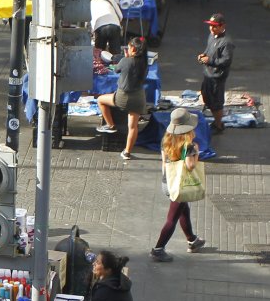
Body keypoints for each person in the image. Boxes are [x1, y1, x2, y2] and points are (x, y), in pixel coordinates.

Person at [151, 108, 205, 262]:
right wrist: (196, 153)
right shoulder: (189, 146)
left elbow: (163, 162)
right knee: (171, 219)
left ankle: (192, 240)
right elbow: (190, 166)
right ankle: (158, 249)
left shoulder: (165, 140)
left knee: (183, 210)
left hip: (167, 182)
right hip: (180, 185)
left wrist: (168, 181)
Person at [95, 37, 149, 160]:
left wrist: (126, 57)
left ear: (133, 49)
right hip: (139, 97)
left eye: (129, 47)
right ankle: (127, 152)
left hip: (123, 97)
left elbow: (117, 69)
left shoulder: (126, 61)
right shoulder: (144, 63)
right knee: (133, 126)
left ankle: (110, 125)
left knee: (100, 100)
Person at [198, 13, 234, 134]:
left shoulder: (226, 42)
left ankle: (218, 125)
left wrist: (210, 60)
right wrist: (203, 55)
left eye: (215, 26)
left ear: (222, 26)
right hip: (208, 74)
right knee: (206, 96)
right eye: (210, 26)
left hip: (217, 77)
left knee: (216, 103)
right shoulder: (211, 36)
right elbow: (209, 50)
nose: (212, 29)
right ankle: (216, 120)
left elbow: (226, 61)